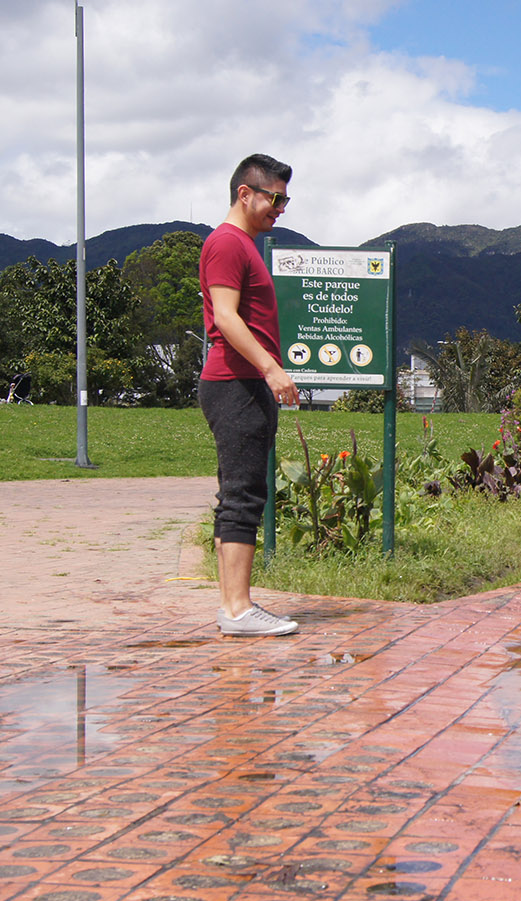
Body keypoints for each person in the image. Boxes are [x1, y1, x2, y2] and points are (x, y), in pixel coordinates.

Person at [199, 153, 299, 637]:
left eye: (285, 199)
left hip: (242, 384)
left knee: (240, 492)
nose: (280, 208)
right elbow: (225, 317)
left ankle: (235, 606)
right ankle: (238, 610)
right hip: (235, 383)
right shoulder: (227, 244)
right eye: (274, 198)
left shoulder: (243, 245)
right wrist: (271, 368)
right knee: (242, 495)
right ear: (246, 193)